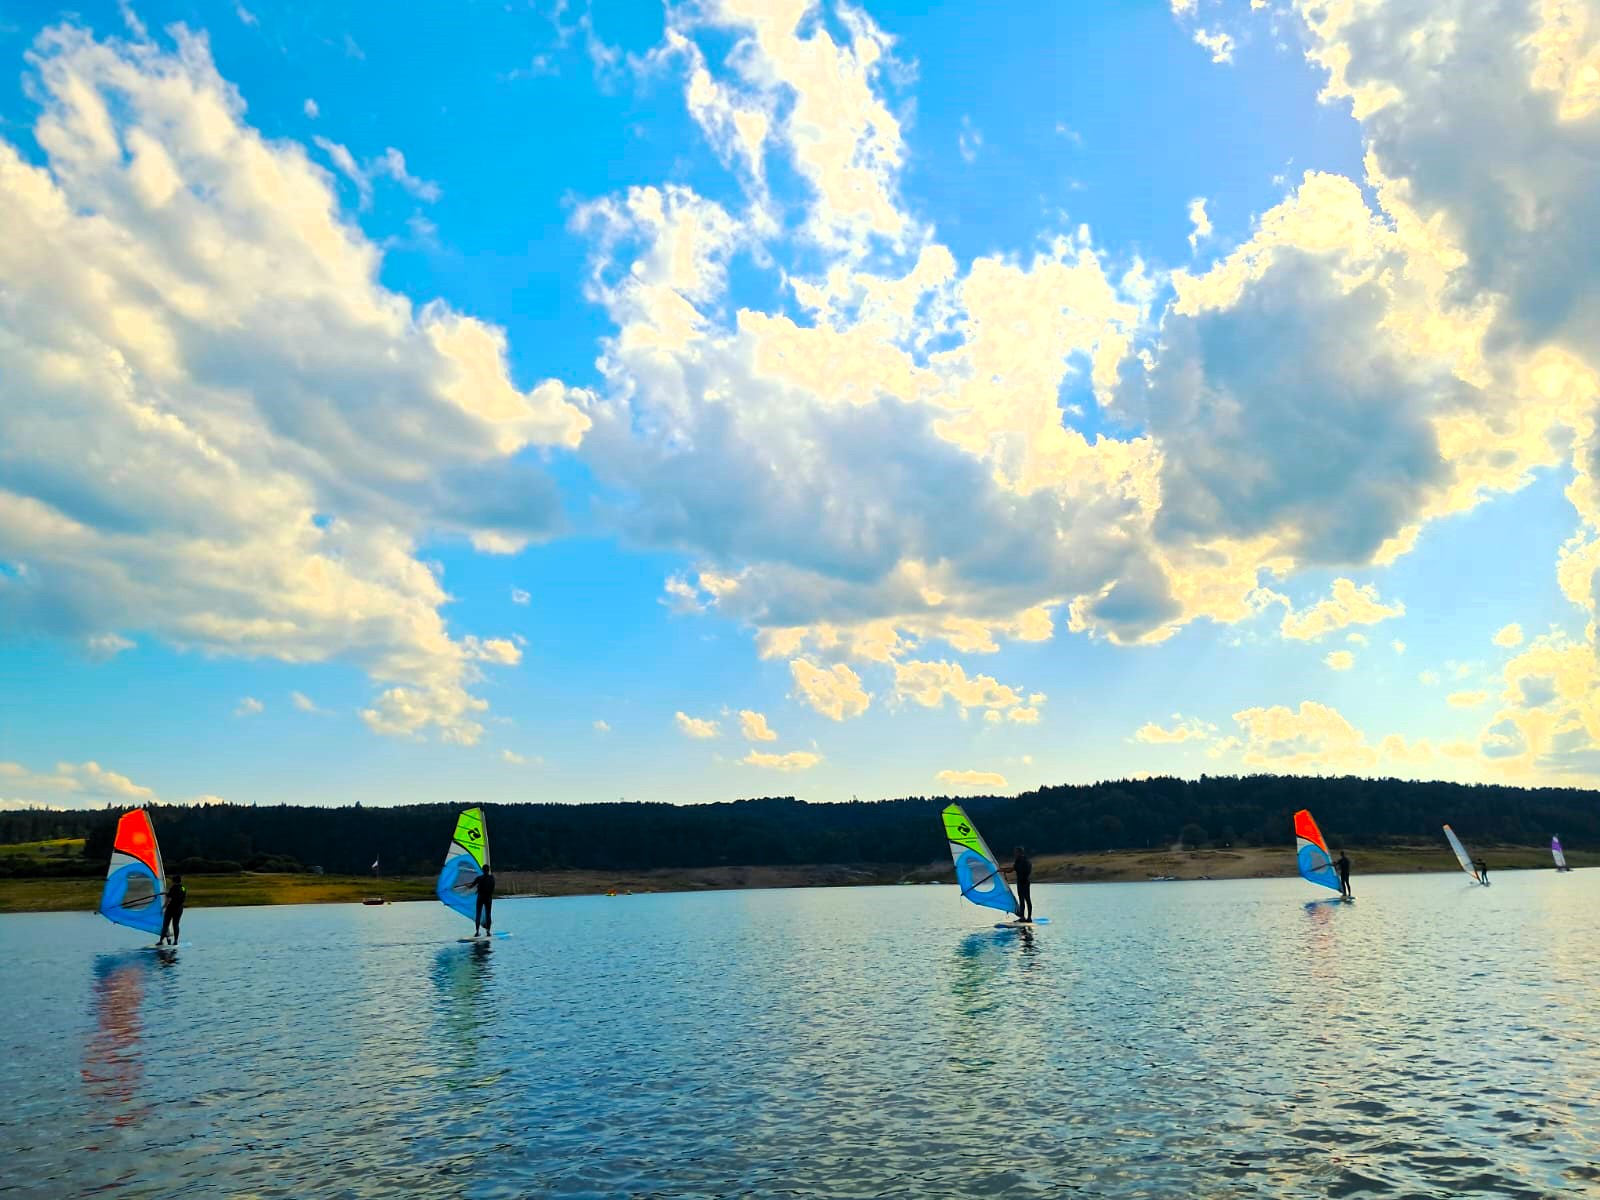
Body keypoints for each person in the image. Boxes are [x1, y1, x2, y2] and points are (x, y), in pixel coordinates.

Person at [160, 874, 187, 945]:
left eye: (172, 880)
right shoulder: (183, 888)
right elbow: (177, 894)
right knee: (176, 924)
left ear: (174, 881)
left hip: (171, 908)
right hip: (179, 909)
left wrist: (163, 907)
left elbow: (169, 899)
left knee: (165, 924)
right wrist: (167, 893)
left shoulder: (173, 888)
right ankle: (175, 941)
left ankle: (161, 941)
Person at [1012, 846, 1033, 923]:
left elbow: (1028, 871)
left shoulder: (1026, 861)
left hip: (1025, 882)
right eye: (1015, 852)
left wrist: (1023, 876)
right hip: (1019, 883)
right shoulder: (1017, 861)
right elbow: (1012, 869)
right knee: (1021, 900)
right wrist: (1001, 870)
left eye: (1016, 852)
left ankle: (1029, 917)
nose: (1015, 854)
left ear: (1020, 852)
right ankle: (1022, 917)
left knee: (1027, 899)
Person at [474, 863, 495, 936]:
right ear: (488, 870)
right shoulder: (492, 878)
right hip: (488, 898)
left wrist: (470, 886)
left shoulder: (479, 878)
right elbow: (492, 888)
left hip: (480, 898)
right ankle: (488, 932)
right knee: (488, 915)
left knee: (478, 914)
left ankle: (477, 932)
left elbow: (471, 886)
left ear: (482, 870)